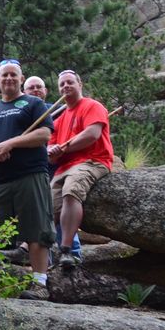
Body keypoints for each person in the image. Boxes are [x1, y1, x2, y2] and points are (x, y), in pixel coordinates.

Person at [0, 59, 56, 300]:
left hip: (30, 174)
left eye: (13, 75)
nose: (8, 79)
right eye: (4, 75)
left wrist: (10, 143)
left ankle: (40, 283)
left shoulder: (33, 103)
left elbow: (44, 134)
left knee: (37, 228)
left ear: (21, 78)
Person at [47, 70, 112, 268]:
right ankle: (35, 252)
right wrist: (52, 151)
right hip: (64, 167)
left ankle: (67, 250)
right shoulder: (58, 119)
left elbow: (91, 134)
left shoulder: (92, 106)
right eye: (62, 84)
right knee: (47, 205)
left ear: (80, 84)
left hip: (92, 160)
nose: (65, 86)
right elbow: (51, 152)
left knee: (71, 191)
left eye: (70, 82)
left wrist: (63, 148)